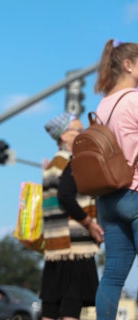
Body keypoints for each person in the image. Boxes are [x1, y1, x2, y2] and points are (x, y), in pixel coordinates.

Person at [40, 112, 104, 320]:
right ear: (64, 136)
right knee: (71, 303)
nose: (83, 133)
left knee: (50, 304)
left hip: (54, 246)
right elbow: (66, 196)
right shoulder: (73, 161)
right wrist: (90, 224)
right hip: (75, 245)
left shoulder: (52, 166)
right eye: (78, 129)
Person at [93, 39, 138, 319]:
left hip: (108, 199)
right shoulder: (134, 99)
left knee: (111, 277)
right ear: (128, 65)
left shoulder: (102, 106)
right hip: (134, 193)